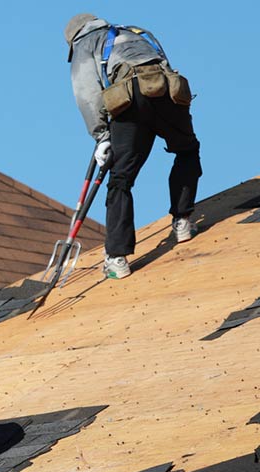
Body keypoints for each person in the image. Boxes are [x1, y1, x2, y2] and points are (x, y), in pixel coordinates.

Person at [65, 14, 202, 279]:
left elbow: (87, 95)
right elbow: (164, 63)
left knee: (120, 179)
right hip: (164, 91)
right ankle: (183, 221)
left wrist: (101, 136)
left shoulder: (85, 43)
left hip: (131, 100)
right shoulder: (136, 32)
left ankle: (117, 258)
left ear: (73, 39)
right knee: (187, 150)